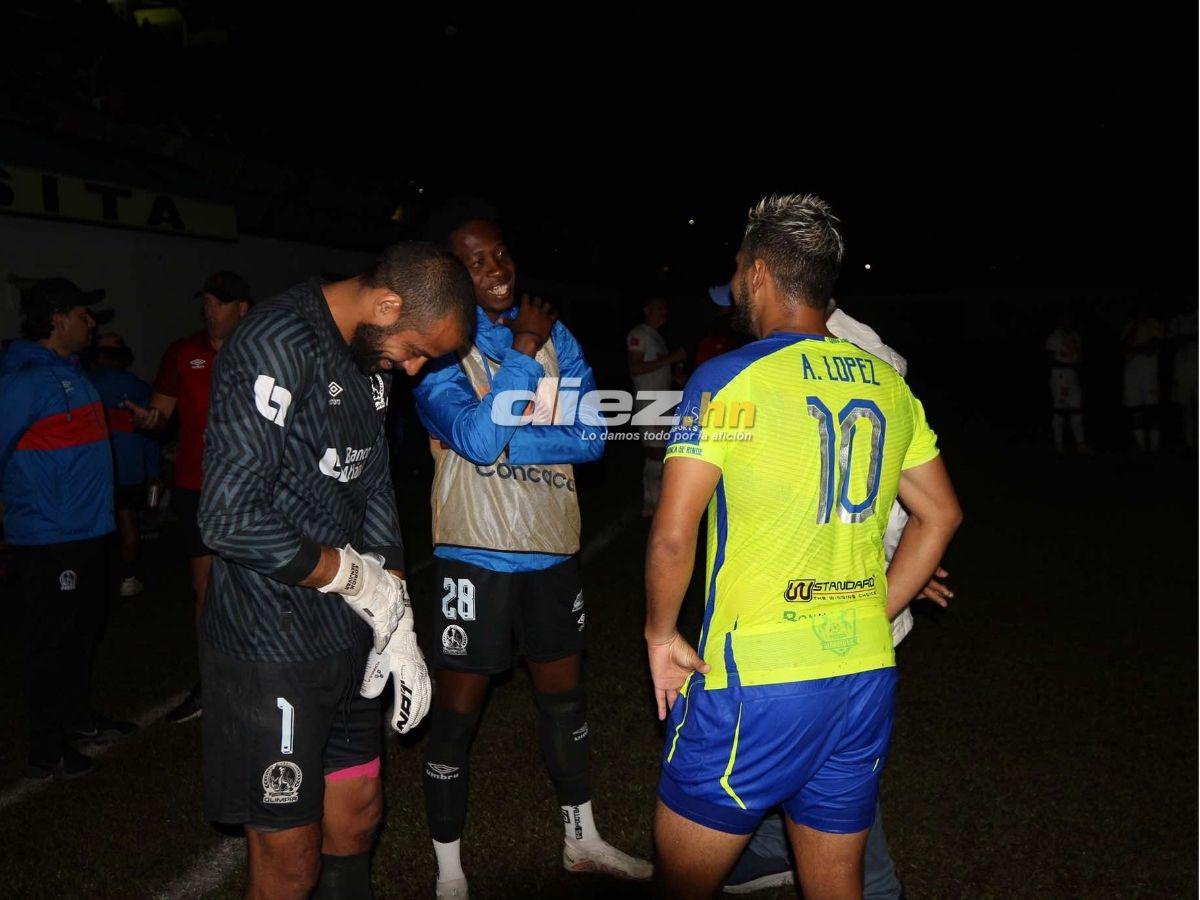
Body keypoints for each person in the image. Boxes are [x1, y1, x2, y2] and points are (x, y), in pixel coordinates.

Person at [645, 194, 963, 899]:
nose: (733, 282)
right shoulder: (886, 382)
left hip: (755, 681)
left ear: (759, 274)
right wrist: (873, 608)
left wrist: (660, 632)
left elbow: (673, 535)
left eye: (735, 267)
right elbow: (940, 514)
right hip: (862, 676)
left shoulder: (728, 377)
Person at [196, 243, 472, 899]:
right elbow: (227, 518)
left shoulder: (366, 359)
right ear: (386, 303)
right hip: (272, 642)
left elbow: (372, 485)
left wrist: (396, 616)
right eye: (415, 349)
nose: (411, 369)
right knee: (290, 858)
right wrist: (353, 578)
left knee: (356, 818)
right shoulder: (277, 340)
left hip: (349, 636)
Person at [414, 212, 651, 899]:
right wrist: (521, 350)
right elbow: (474, 438)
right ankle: (449, 873)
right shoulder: (439, 346)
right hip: (476, 553)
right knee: (458, 716)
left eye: (501, 254)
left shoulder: (559, 337)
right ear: (451, 275)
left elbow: (593, 437)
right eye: (476, 261)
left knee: (566, 704)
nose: (496, 269)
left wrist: (507, 432)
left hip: (550, 547)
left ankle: (583, 840)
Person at [711, 295, 953, 897]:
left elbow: (881, 477)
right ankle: (774, 847)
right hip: (817, 601)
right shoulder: (797, 348)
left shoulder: (858, 357)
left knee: (838, 771)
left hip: (836, 613)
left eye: (741, 283)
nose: (736, 302)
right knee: (817, 759)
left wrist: (893, 568)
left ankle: (876, 887)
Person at [0, 278, 137, 781]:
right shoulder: (24, 380)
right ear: (57, 318)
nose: (92, 321)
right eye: (84, 313)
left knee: (83, 632)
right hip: (48, 539)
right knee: (50, 642)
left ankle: (77, 719)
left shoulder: (71, 372)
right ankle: (46, 748)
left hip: (86, 532)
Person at [127, 271, 252, 723]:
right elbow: (161, 415)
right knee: (205, 587)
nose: (209, 310)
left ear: (243, 309)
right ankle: (214, 679)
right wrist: (149, 421)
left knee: (258, 582)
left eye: (219, 302)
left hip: (253, 486)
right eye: (206, 302)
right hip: (196, 486)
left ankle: (260, 668)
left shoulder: (264, 349)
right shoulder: (182, 353)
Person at [86, 332, 161, 596]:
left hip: (93, 471)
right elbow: (151, 434)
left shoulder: (85, 383)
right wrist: (154, 472)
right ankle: (128, 578)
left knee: (93, 526)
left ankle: (92, 580)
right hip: (130, 469)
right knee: (128, 520)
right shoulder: (140, 387)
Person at [627, 297, 686, 517]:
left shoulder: (657, 338)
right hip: (649, 402)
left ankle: (657, 501)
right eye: (659, 308)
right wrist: (672, 358)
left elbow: (658, 369)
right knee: (656, 452)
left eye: (665, 308)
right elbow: (636, 368)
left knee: (663, 451)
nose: (663, 312)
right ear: (647, 309)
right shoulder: (639, 334)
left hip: (663, 402)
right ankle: (651, 503)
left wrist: (678, 377)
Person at [1121, 304, 1165, 452]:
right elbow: (1123, 345)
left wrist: (1134, 349)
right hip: (1131, 373)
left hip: (1149, 372)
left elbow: (1151, 349)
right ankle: (1140, 446)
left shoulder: (1153, 324)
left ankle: (1155, 447)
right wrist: (1135, 330)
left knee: (1152, 410)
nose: (1141, 312)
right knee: (1135, 410)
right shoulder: (1130, 326)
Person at [1045, 310, 1089, 455]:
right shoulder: (1054, 337)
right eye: (1065, 319)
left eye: (1070, 319)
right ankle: (1059, 445)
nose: (1068, 322)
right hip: (1059, 378)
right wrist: (1070, 366)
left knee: (1077, 410)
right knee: (1060, 411)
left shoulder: (1075, 336)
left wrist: (1079, 365)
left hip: (1073, 378)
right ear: (1060, 321)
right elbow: (1050, 361)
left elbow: (1078, 356)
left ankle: (1081, 445)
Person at [1168, 305, 1197, 450]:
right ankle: (1189, 443)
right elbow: (1172, 342)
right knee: (1185, 407)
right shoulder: (1176, 321)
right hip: (1183, 368)